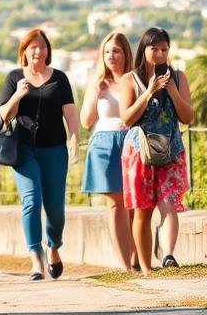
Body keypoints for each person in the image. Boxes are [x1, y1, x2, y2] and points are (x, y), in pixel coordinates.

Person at [0, 28, 80, 281]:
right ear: (24, 51)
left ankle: (53, 246)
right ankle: (36, 259)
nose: (38, 51)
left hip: (55, 149)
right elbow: (4, 116)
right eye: (32, 47)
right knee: (31, 200)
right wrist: (18, 94)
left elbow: (70, 114)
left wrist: (75, 140)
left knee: (55, 209)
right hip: (24, 151)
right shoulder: (14, 78)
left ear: (48, 50)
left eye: (42, 46)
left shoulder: (60, 78)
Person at [118, 26, 194, 275]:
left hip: (172, 150)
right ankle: (145, 266)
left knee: (170, 201)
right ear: (144, 49)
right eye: (155, 48)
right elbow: (127, 118)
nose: (160, 54)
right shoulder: (130, 79)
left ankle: (169, 255)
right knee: (143, 210)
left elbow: (188, 117)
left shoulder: (179, 78)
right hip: (140, 152)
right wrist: (149, 91)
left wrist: (172, 91)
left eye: (164, 49)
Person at [79, 31, 136, 272]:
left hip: (131, 142)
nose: (111, 55)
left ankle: (136, 258)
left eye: (116, 51)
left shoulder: (134, 79)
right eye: (107, 51)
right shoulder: (97, 82)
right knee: (115, 205)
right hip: (104, 143)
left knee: (133, 203)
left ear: (125, 53)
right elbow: (85, 121)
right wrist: (96, 93)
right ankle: (124, 265)